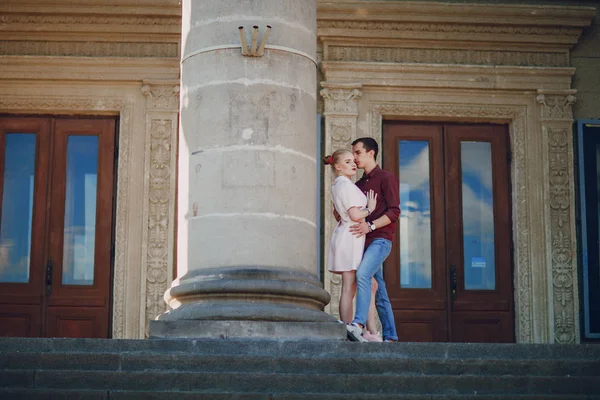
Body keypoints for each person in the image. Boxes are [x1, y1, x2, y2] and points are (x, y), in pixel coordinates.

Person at [323, 149, 382, 342]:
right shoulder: (346, 186)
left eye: (353, 161)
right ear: (337, 166)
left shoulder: (339, 185)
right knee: (350, 285)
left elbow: (338, 214)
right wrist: (370, 209)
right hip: (350, 237)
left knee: (360, 284)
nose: (353, 164)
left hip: (348, 235)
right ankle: (350, 328)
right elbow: (356, 215)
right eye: (348, 162)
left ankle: (364, 330)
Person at [346, 137, 400, 342]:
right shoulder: (357, 185)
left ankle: (358, 324)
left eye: (358, 153)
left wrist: (371, 225)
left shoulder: (386, 177)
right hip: (363, 243)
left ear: (371, 153)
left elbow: (394, 211)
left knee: (363, 275)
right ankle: (391, 335)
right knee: (380, 292)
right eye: (353, 154)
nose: (355, 157)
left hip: (381, 240)